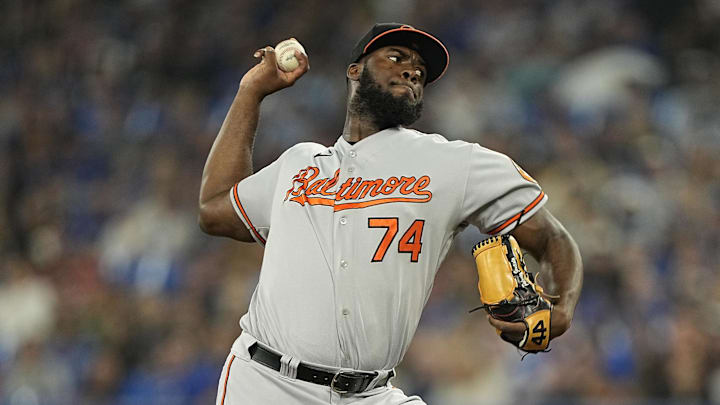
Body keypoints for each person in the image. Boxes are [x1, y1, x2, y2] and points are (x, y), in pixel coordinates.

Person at [198, 23, 583, 405]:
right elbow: (214, 209)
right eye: (396, 57)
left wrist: (561, 306)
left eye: (420, 70)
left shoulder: (454, 163)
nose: (412, 70)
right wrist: (251, 91)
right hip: (267, 384)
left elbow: (552, 238)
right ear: (355, 70)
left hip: (372, 393)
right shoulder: (298, 164)